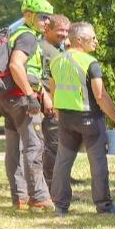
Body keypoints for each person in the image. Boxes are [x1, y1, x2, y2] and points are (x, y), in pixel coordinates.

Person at [49, 22, 115, 216]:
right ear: (79, 40)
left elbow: (53, 87)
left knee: (63, 162)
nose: (96, 41)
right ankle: (104, 206)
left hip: (66, 117)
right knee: (98, 162)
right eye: (92, 38)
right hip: (89, 118)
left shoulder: (56, 61)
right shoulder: (89, 63)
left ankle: (60, 206)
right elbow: (100, 96)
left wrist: (58, 110)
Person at [0, 0, 54, 210]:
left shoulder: (13, 34)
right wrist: (32, 96)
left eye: (48, 17)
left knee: (13, 149)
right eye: (42, 17)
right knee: (34, 146)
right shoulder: (28, 37)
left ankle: (19, 197)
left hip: (7, 99)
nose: (46, 21)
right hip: (22, 99)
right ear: (28, 15)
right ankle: (39, 197)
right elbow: (16, 65)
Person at [39, 14, 70, 192]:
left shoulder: (57, 48)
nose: (64, 34)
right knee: (52, 145)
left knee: (60, 143)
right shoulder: (43, 48)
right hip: (48, 104)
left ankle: (63, 178)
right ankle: (52, 185)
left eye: (67, 30)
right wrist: (47, 97)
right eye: (60, 30)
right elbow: (37, 77)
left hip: (58, 102)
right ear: (47, 29)